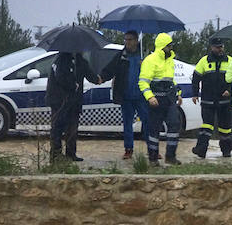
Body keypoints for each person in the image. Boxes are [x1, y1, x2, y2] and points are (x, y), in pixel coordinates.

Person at [100, 30, 148, 160]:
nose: (127, 42)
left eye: (130, 39)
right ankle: (128, 149)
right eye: (125, 39)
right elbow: (110, 69)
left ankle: (152, 148)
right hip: (126, 96)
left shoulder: (145, 55)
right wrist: (101, 77)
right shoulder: (121, 55)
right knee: (127, 123)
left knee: (148, 122)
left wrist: (145, 65)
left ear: (136, 40)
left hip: (142, 96)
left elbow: (153, 72)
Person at [46, 52, 102, 162]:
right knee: (57, 128)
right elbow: (60, 77)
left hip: (75, 101)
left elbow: (90, 74)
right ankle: (55, 155)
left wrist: (99, 79)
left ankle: (71, 153)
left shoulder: (80, 61)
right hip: (59, 101)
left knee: (72, 128)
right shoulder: (60, 60)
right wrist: (73, 84)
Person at [138, 33, 183, 166]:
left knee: (174, 124)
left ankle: (170, 156)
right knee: (154, 130)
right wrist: (150, 97)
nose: (171, 48)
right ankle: (153, 159)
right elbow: (143, 82)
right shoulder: (150, 60)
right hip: (156, 100)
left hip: (169, 100)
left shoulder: (169, 60)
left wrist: (178, 93)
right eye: (169, 46)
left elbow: (171, 80)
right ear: (163, 46)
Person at [191, 37, 232, 159]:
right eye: (217, 47)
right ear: (212, 47)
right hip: (207, 100)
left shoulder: (230, 61)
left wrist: (229, 91)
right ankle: (201, 150)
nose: (220, 49)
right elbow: (195, 78)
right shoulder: (204, 61)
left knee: (225, 128)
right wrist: (194, 94)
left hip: (224, 101)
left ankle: (226, 151)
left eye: (222, 46)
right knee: (207, 127)